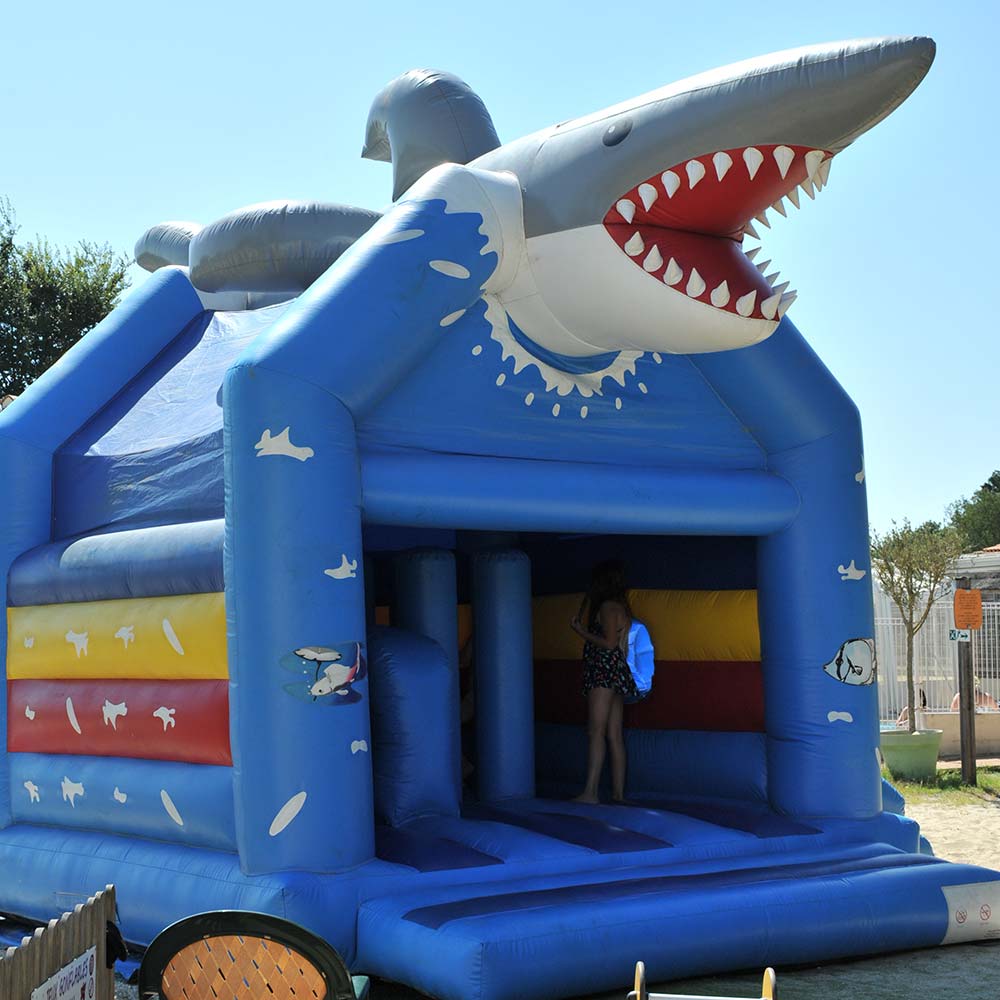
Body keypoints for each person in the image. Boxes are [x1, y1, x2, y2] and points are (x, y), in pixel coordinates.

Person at [569, 559, 637, 804]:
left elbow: (608, 643)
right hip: (616, 671)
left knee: (596, 731)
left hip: (603, 671)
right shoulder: (622, 608)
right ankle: (618, 794)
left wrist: (581, 632)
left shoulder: (608, 607)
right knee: (614, 734)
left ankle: (591, 792)